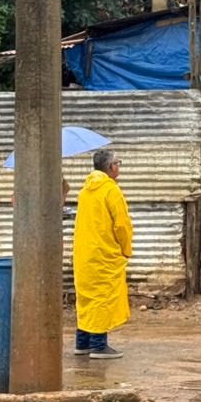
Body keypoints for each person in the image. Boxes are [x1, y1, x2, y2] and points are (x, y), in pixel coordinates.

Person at [72, 148, 134, 359]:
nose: (119, 167)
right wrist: (126, 249)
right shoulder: (111, 191)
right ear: (111, 167)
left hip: (84, 254)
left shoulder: (85, 190)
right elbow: (122, 225)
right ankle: (99, 345)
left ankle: (82, 343)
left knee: (86, 298)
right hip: (104, 255)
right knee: (102, 299)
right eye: (118, 163)